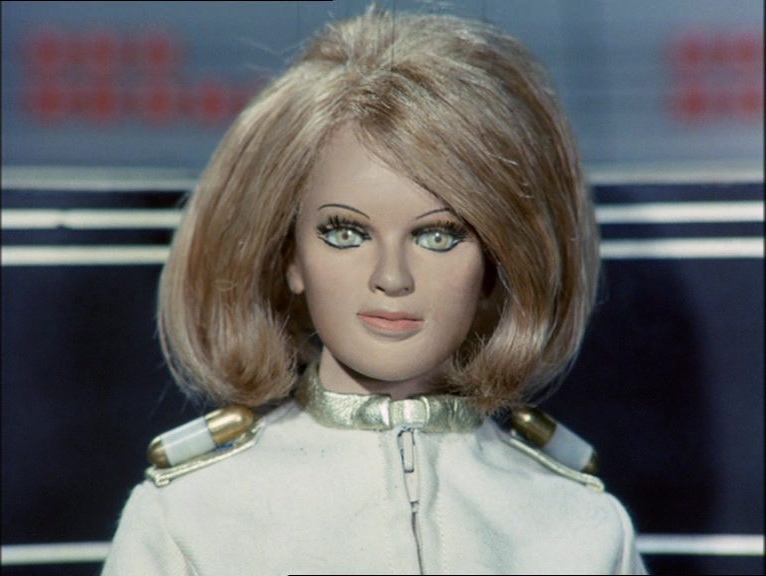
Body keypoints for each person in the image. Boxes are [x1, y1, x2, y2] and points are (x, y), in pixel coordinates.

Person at [103, 7, 647, 575]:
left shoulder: (580, 526)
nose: (391, 277)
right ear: (290, 257)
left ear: (496, 264)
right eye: (345, 233)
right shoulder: (191, 518)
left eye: (438, 236)